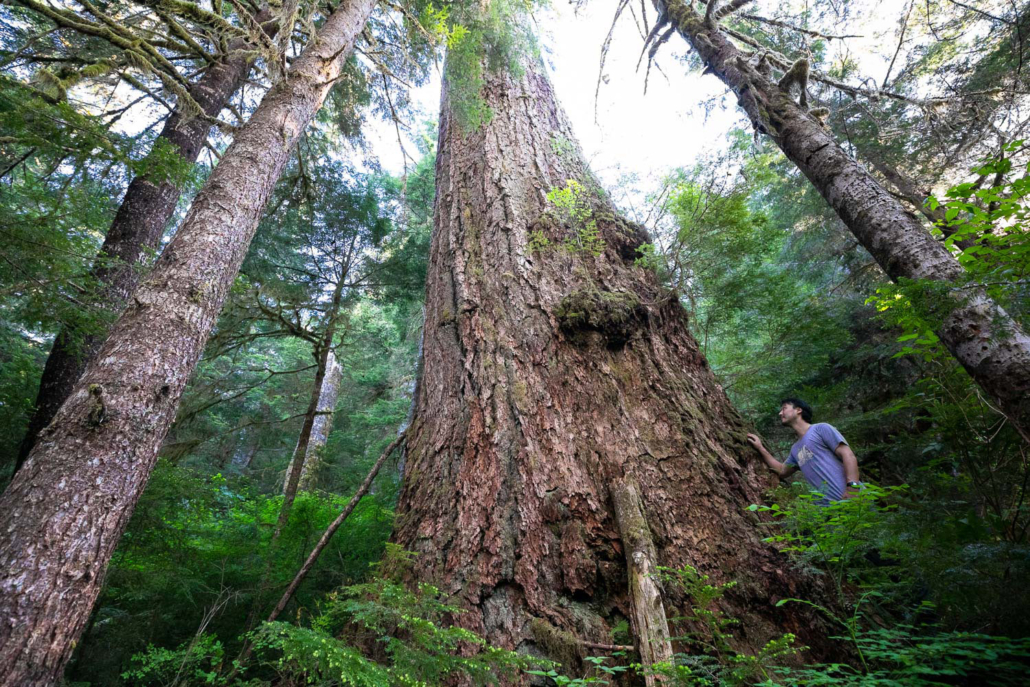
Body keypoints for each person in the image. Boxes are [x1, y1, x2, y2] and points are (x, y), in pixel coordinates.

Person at [746, 398, 862, 503]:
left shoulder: (821, 429)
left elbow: (848, 455)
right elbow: (782, 471)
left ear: (798, 410)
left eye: (784, 408)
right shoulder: (795, 449)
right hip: (830, 511)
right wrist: (760, 448)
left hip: (854, 500)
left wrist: (852, 488)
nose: (780, 413)